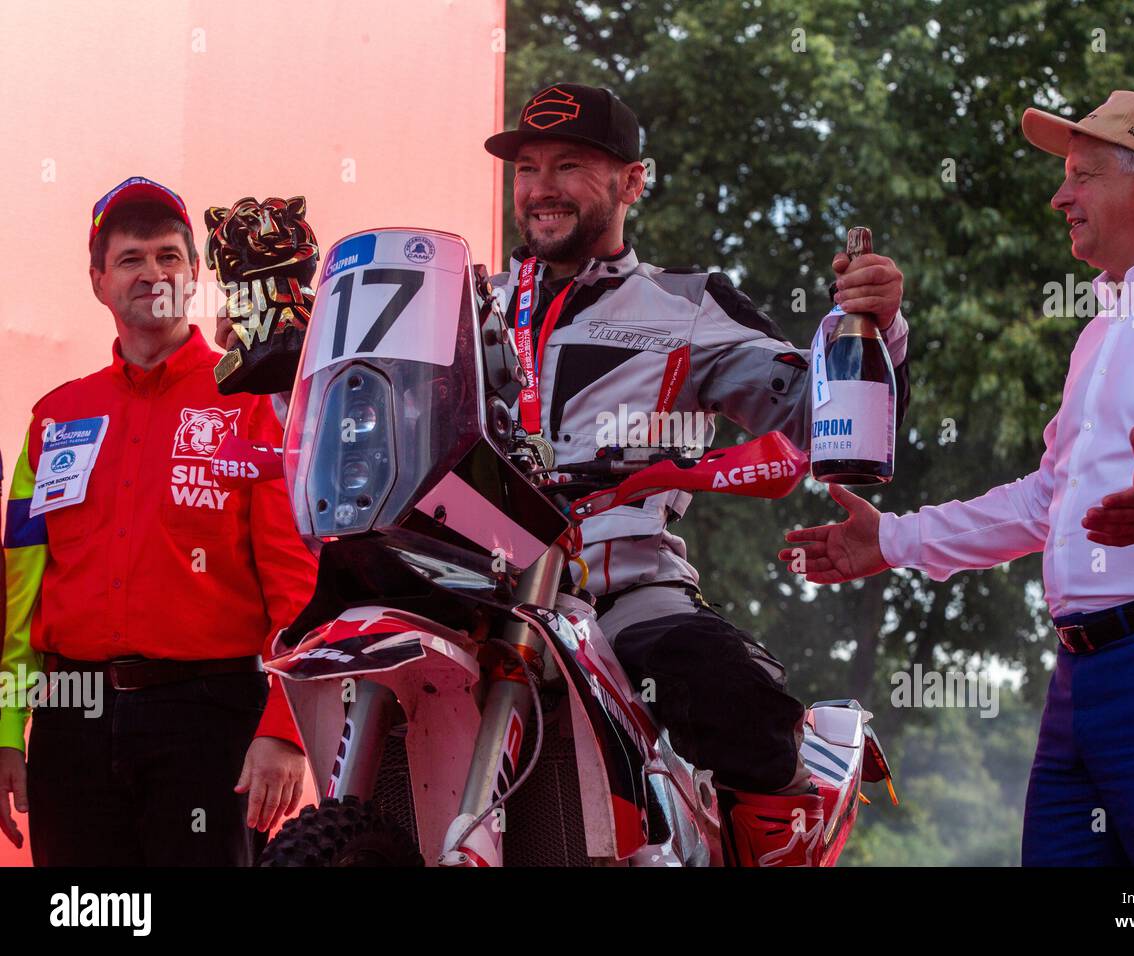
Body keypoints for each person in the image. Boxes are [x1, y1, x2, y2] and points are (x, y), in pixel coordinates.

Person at [216, 82, 912, 866]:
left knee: (720, 682)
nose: (541, 188)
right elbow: (358, 424)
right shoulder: (453, 302)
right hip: (458, 568)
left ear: (632, 182)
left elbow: (817, 418)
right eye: (527, 169)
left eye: (569, 165)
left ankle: (784, 831)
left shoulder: (686, 304)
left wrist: (875, 331)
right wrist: (288, 350)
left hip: (615, 582)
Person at [782, 91, 1134, 865]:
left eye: (1082, 176)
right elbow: (1049, 498)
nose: (1060, 196)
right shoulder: (1101, 330)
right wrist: (893, 539)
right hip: (1079, 675)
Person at [0, 177, 317, 865]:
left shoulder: (253, 400)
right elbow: (21, 596)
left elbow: (300, 584)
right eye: (131, 258)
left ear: (197, 273)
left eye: (170, 256)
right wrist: (5, 727)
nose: (153, 273)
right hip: (70, 717)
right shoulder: (54, 418)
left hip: (210, 720)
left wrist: (287, 730)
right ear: (97, 280)